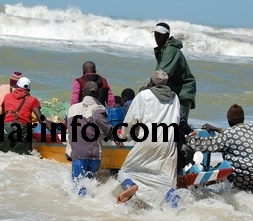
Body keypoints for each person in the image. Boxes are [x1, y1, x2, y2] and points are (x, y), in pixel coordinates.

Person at [186, 104, 253, 203]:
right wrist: (216, 129)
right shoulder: (252, 127)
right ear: (243, 118)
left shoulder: (228, 135)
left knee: (233, 183)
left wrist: (187, 138)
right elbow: (234, 131)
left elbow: (205, 145)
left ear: (228, 119)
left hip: (251, 174)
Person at [116, 70, 181, 209]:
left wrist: (124, 136)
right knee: (166, 181)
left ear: (152, 82)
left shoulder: (144, 95)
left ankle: (131, 185)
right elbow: (177, 120)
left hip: (147, 140)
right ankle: (175, 209)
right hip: (168, 143)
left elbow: (130, 120)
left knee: (126, 171)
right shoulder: (174, 97)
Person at [67, 81, 124, 196]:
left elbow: (68, 128)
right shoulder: (98, 108)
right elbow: (102, 123)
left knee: (78, 189)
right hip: (93, 155)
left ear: (83, 93)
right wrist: (114, 136)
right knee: (88, 185)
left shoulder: (71, 109)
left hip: (77, 154)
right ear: (97, 95)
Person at [0, 77, 51, 155]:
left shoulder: (7, 97)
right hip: (21, 130)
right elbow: (41, 119)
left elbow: (3, 115)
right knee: (21, 156)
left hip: (5, 129)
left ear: (16, 86)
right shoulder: (33, 100)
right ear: (29, 90)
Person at [152, 22, 197, 121]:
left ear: (167, 35)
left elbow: (161, 76)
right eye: (155, 34)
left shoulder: (171, 50)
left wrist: (148, 88)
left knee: (179, 126)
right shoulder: (163, 50)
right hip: (173, 93)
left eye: (160, 34)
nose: (157, 36)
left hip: (183, 94)